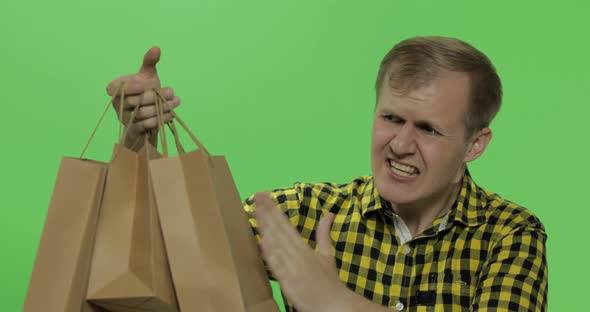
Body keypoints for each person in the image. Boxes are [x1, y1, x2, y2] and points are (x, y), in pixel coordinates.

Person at [108, 36, 548, 311]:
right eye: (392, 119)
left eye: (428, 129)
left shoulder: (510, 235)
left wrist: (334, 301)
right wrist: (138, 139)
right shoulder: (305, 212)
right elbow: (161, 258)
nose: (399, 145)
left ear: (475, 143)